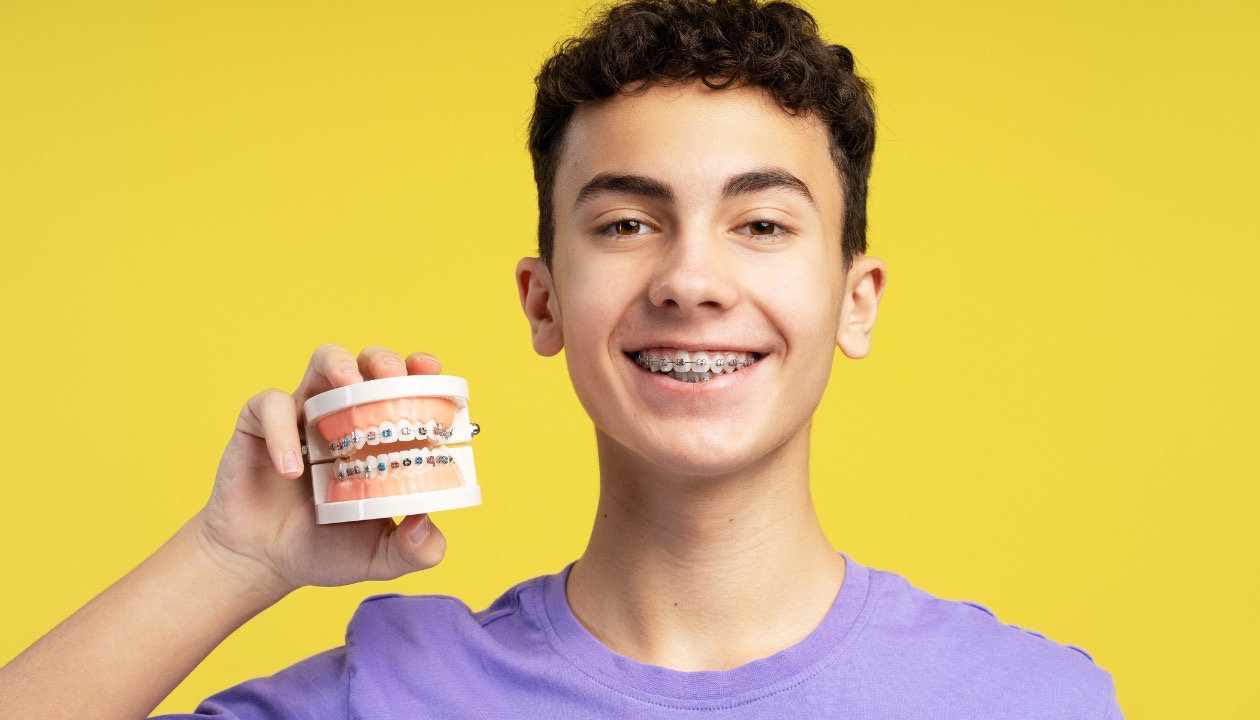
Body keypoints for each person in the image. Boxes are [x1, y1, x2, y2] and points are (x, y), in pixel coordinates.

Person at [0, 0, 1123, 717]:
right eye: (628, 223)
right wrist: (231, 557)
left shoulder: (1030, 699)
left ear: (855, 300)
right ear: (543, 300)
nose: (691, 278)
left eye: (763, 224)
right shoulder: (400, 693)